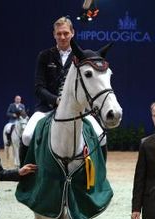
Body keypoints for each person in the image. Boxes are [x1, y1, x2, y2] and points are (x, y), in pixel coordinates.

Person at [21, 16, 106, 163]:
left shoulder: (82, 56)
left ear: (72, 33)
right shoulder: (44, 56)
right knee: (27, 135)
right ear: (54, 34)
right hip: (46, 108)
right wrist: (56, 100)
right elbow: (38, 88)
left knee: (101, 136)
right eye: (59, 33)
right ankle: (25, 177)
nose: (62, 37)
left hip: (78, 110)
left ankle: (100, 176)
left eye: (66, 33)